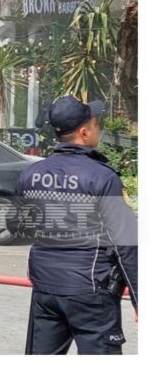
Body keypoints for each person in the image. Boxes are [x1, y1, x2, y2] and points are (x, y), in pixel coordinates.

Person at [16, 95, 137, 355]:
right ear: (84, 132)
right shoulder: (102, 177)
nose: (98, 128)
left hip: (45, 290)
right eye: (96, 124)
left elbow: (22, 225)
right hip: (91, 293)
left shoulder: (30, 175)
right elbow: (126, 244)